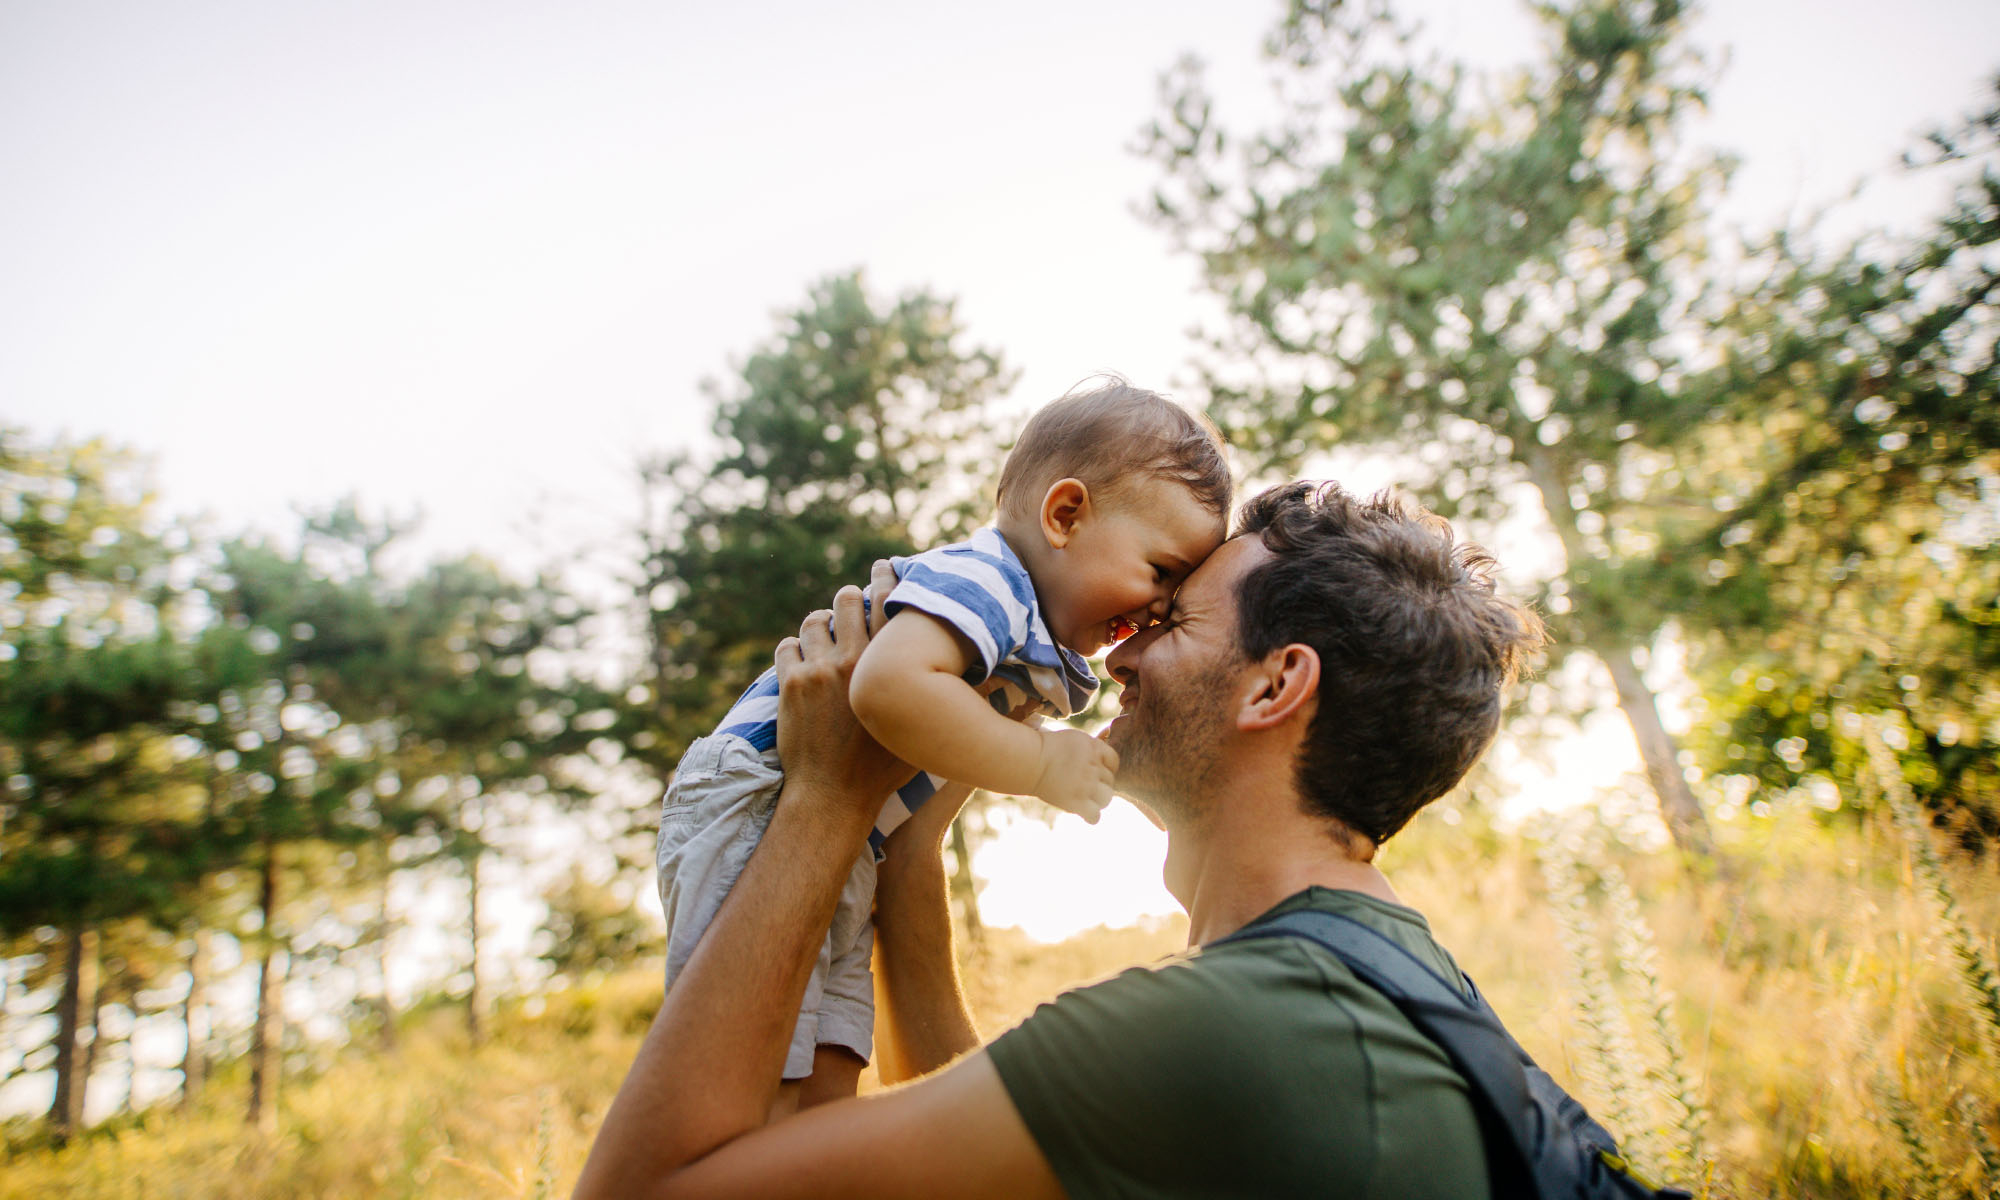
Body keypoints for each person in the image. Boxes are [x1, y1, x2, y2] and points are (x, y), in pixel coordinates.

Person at [576, 478, 1547, 1199]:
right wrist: (904, 838)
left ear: (1273, 686)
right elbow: (987, 1145)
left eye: (1168, 620)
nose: (1117, 652)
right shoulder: (1390, 980)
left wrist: (826, 797)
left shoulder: (1220, 1026)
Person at [654, 378, 1231, 1111]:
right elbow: (886, 687)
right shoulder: (986, 580)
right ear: (1065, 514)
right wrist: (1040, 760)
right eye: (1161, 572)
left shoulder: (1029, 640)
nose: (1158, 609)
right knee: (750, 1068)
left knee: (832, 1061)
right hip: (757, 796)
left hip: (851, 834)